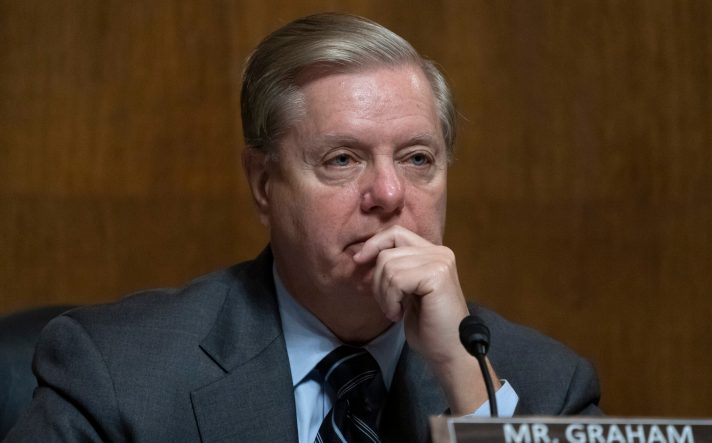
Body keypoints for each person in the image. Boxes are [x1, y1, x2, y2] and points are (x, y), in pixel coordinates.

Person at [6, 12, 600, 443]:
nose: (390, 194)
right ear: (264, 184)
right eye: (342, 159)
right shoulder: (119, 372)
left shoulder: (545, 388)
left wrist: (469, 388)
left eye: (418, 159)